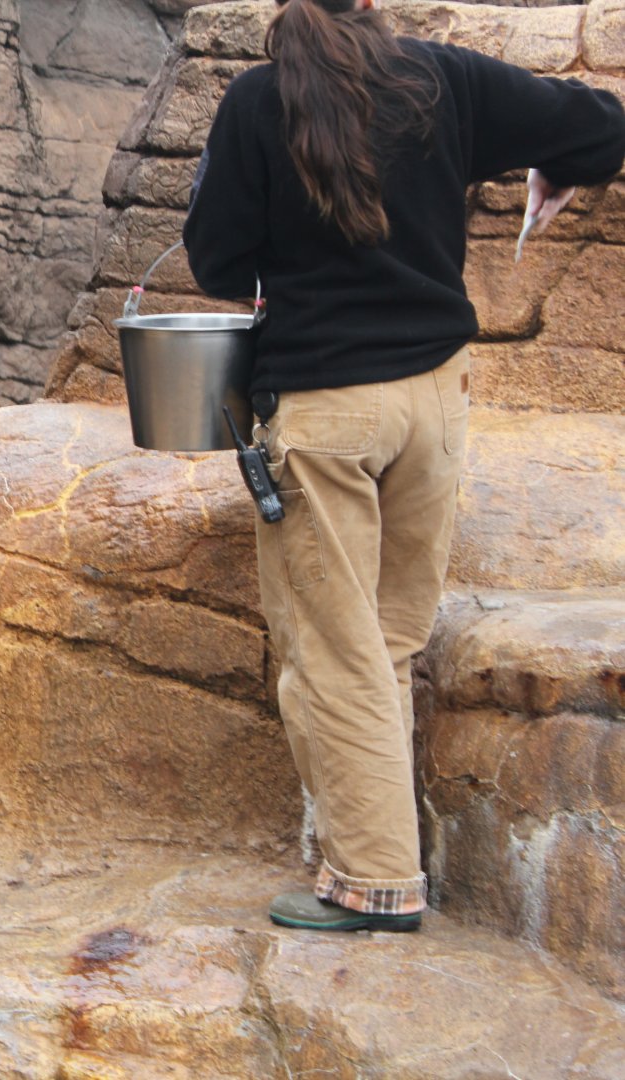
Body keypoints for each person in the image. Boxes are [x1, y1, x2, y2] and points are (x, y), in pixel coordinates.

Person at [183, 0, 625, 931]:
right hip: (436, 398)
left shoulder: (260, 100)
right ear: (373, 3)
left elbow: (219, 260)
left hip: (328, 407)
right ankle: (384, 846)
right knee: (384, 640)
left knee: (333, 650)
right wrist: (561, 164)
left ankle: (377, 881)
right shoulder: (441, 76)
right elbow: (601, 123)